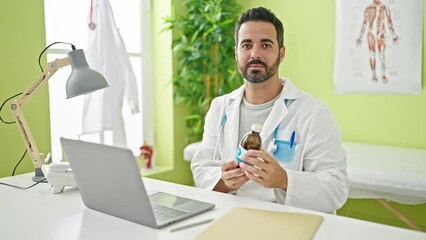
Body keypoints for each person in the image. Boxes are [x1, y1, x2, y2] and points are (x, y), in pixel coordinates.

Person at [191, 7, 349, 213]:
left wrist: (283, 180)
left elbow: (336, 188)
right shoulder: (220, 107)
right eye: (246, 45)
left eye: (265, 45)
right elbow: (201, 168)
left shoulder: (314, 113)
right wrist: (224, 181)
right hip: (230, 218)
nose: (255, 54)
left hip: (288, 224)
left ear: (281, 53)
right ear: (236, 52)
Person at [356, 0, 399, 83]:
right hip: (371, 33)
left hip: (381, 34)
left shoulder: (385, 7)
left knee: (382, 55)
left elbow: (389, 23)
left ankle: (383, 75)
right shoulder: (368, 8)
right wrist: (360, 37)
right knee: (372, 55)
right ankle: (374, 75)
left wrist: (394, 36)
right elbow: (364, 24)